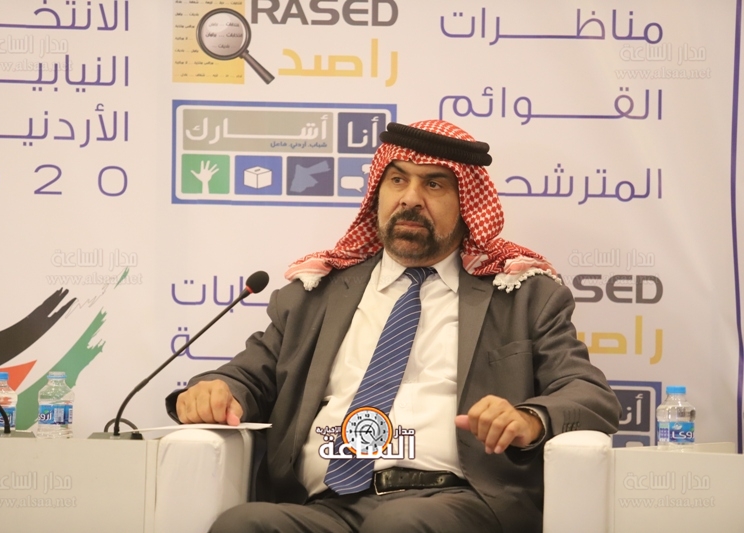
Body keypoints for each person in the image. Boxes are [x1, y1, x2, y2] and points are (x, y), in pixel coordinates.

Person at [166, 120, 621, 533]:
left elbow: (588, 394)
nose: (410, 198)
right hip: (327, 507)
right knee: (243, 524)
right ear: (377, 193)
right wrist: (216, 390)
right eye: (397, 180)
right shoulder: (314, 295)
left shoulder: (522, 296)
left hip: (456, 501)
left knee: (399, 524)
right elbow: (248, 377)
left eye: (434, 184)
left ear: (467, 202)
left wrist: (528, 418)